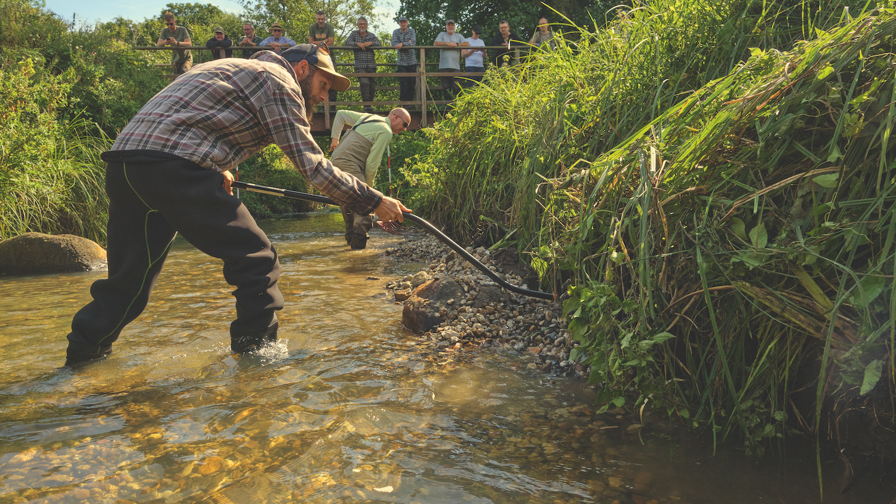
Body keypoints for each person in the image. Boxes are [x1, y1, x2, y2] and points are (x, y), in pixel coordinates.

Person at [62, 44, 410, 367]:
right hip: (173, 168)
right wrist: (375, 200)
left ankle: (82, 361)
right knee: (257, 261)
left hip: (125, 166)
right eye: (323, 84)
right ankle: (257, 362)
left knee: (130, 283)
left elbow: (192, 118)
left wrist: (215, 166)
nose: (324, 95)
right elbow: (314, 168)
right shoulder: (280, 82)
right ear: (302, 69)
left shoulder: (227, 66)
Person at [329, 108, 411, 249]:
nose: (404, 129)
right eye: (405, 125)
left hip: (334, 161)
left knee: (349, 202)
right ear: (396, 117)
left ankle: (350, 246)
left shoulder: (368, 117)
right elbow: (372, 164)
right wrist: (369, 190)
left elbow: (340, 114)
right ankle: (359, 253)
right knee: (366, 208)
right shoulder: (386, 131)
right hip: (350, 163)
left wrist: (335, 140)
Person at [346, 17, 380, 113]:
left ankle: (370, 105)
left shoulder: (371, 35)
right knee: (364, 83)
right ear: (358, 25)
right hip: (360, 65)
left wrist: (371, 43)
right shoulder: (354, 34)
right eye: (360, 24)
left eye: (364, 24)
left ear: (367, 25)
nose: (362, 26)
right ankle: (366, 105)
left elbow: (379, 44)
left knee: (372, 86)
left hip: (371, 65)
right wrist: (357, 44)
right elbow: (347, 43)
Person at [433, 19, 468, 102]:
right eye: (449, 25)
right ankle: (448, 109)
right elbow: (435, 44)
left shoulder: (458, 36)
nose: (450, 27)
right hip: (443, 67)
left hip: (455, 67)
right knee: (446, 89)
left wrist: (457, 44)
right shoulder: (442, 34)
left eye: (452, 25)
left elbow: (467, 44)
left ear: (454, 26)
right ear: (446, 26)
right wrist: (447, 43)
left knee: (457, 89)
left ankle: (457, 107)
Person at [309, 11, 338, 105]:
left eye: (322, 19)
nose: (320, 21)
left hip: (329, 56)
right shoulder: (312, 27)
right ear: (316, 19)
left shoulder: (329, 27)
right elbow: (310, 42)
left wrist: (318, 43)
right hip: (316, 57)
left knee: (333, 79)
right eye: (319, 19)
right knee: (318, 81)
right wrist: (324, 41)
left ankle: (333, 105)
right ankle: (320, 105)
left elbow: (331, 43)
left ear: (325, 19)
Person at [391, 16, 417, 105]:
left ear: (407, 23)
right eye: (401, 22)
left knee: (411, 84)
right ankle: (403, 104)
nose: (403, 24)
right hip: (401, 62)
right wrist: (406, 43)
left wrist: (402, 44)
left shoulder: (411, 31)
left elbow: (413, 42)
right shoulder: (395, 32)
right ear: (399, 23)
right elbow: (393, 43)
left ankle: (410, 103)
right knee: (403, 83)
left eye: (404, 22)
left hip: (412, 61)